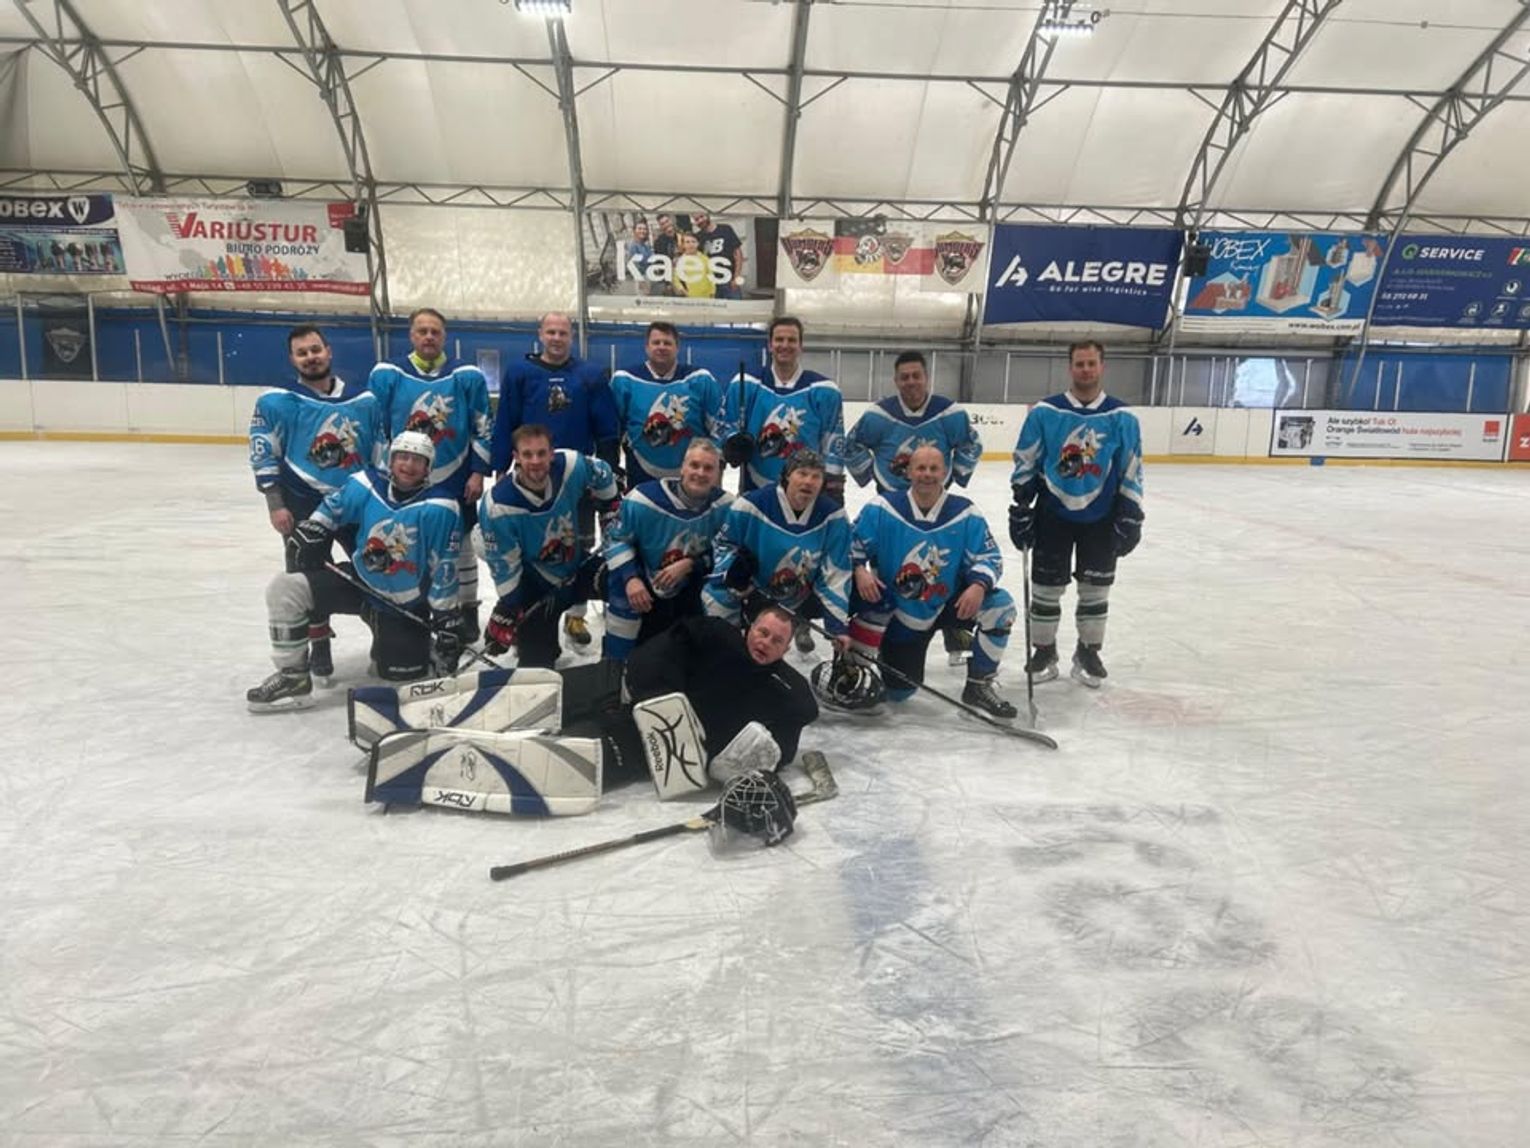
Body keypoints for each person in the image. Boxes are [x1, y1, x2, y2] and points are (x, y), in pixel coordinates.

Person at [246, 431, 464, 712]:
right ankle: (293, 678)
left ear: (428, 468)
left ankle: (421, 647)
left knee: (398, 685)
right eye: (402, 457)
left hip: (402, 605)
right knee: (286, 589)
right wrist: (315, 527)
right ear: (391, 460)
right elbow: (333, 508)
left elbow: (445, 565)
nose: (408, 465)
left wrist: (445, 616)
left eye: (417, 460)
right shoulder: (367, 484)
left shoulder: (442, 507)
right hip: (360, 583)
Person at [249, 324, 382, 680]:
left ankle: (383, 633)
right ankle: (318, 642)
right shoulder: (276, 401)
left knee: (375, 567)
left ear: (329, 351)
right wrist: (275, 503)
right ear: (292, 358)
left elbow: (378, 452)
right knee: (305, 576)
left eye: (315, 350)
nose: (311, 357)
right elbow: (263, 451)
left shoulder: (364, 400)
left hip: (356, 500)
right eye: (302, 353)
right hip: (301, 502)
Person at [1008, 341, 1145, 688]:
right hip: (1052, 512)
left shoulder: (1122, 416)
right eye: (1080, 364)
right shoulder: (1045, 412)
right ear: (1070, 368)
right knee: (1045, 588)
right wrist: (1022, 502)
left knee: (1095, 589)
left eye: (1091, 363)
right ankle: (1044, 651)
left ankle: (1088, 651)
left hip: (1102, 516)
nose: (1086, 370)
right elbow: (1026, 456)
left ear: (1102, 366)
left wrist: (1131, 512)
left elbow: (1131, 466)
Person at [846, 446, 1018, 719]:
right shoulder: (882, 508)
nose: (927, 474)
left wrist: (978, 585)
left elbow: (989, 556)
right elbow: (848, 545)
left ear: (945, 472)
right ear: (909, 472)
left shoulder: (965, 512)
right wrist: (858, 569)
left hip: (951, 603)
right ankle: (871, 659)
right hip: (902, 615)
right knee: (899, 692)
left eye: (934, 468)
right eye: (921, 468)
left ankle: (978, 686)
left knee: (1000, 607)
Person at [843, 349, 983, 666]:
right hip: (891, 508)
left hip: (934, 502)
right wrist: (869, 473)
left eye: (916, 376)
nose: (911, 382)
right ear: (896, 381)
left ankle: (955, 629)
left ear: (926, 377)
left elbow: (972, 443)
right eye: (904, 377)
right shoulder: (879, 415)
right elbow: (851, 445)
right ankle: (889, 632)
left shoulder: (949, 413)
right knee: (890, 574)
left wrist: (956, 475)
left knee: (944, 565)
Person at [494, 312, 620, 649]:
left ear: (571, 336)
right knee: (533, 550)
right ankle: (527, 615)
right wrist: (500, 466)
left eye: (562, 332)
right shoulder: (520, 373)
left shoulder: (589, 375)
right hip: (530, 475)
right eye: (550, 332)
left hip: (578, 478)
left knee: (578, 545)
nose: (556, 338)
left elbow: (606, 427)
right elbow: (506, 420)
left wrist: (608, 471)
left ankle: (575, 615)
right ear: (540, 334)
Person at [367, 308, 492, 646]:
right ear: (411, 335)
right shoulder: (388, 373)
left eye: (435, 331)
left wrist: (478, 472)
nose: (428, 337)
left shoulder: (466, 375)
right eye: (422, 331)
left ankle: (467, 610)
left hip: (455, 475)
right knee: (408, 543)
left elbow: (483, 426)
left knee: (461, 546)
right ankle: (416, 608)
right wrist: (381, 473)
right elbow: (375, 427)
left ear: (444, 336)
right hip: (404, 477)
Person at [478, 424, 620, 669]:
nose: (535, 461)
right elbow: (505, 566)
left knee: (623, 584)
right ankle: (530, 638)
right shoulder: (497, 504)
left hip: (577, 566)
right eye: (527, 454)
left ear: (552, 453)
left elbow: (602, 472)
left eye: (541, 453)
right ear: (516, 457)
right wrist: (509, 607)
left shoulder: (571, 465)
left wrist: (610, 505)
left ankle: (620, 659)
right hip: (538, 585)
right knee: (537, 666)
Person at [703, 449, 851, 657]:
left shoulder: (834, 516)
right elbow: (722, 545)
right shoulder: (751, 505)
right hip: (746, 593)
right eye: (802, 473)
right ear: (787, 475)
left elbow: (836, 570)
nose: (808, 482)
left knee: (765, 651)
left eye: (816, 476)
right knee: (720, 645)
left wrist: (837, 627)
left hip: (792, 600)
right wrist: (732, 570)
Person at [602, 439, 733, 663]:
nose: (700, 473)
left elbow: (731, 551)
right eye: (694, 465)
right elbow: (614, 538)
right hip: (644, 585)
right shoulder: (643, 499)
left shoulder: (727, 507)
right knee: (623, 605)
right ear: (682, 468)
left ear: (717, 473)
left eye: (708, 468)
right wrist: (630, 578)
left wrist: (691, 564)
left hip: (691, 589)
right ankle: (615, 669)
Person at [721, 316, 846, 502]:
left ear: (801, 346)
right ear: (770, 345)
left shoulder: (825, 391)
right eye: (779, 339)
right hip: (754, 492)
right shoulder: (745, 384)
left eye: (792, 340)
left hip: (806, 494)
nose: (785, 345)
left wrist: (833, 488)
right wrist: (732, 443)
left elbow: (833, 443)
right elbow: (726, 427)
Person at [608, 321, 725, 486]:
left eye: (667, 343)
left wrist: (718, 464)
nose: (661, 347)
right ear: (647, 347)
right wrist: (612, 467)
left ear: (677, 347)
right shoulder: (625, 380)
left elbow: (720, 426)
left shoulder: (700, 379)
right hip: (641, 472)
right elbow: (612, 430)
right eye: (656, 342)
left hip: (694, 475)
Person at [692, 212, 745, 300]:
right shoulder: (698, 237)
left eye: (701, 216)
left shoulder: (726, 229)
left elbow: (738, 253)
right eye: (696, 219)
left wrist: (736, 277)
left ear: (707, 215)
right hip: (711, 283)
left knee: (735, 307)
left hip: (729, 280)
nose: (700, 220)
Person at [672, 232, 716, 299]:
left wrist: (713, 292)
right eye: (687, 242)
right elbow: (676, 279)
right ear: (683, 245)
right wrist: (684, 292)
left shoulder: (705, 259)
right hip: (690, 297)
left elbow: (711, 276)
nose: (691, 244)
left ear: (698, 243)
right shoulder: (680, 261)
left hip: (707, 296)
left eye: (693, 241)